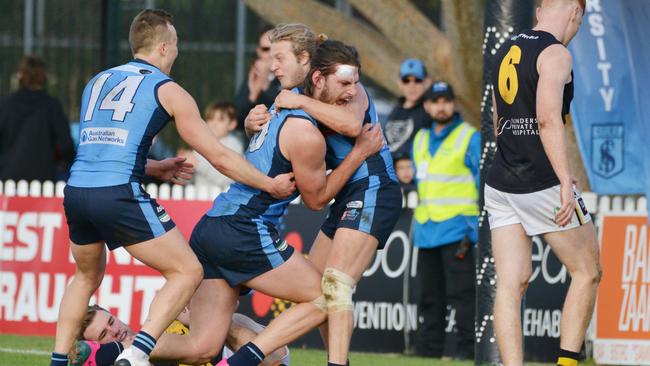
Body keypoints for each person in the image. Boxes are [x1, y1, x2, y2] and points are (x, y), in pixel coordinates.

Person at [51, 9, 295, 366]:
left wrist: (153, 166)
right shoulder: (168, 89)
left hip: (76, 191)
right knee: (188, 271)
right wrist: (268, 184)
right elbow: (216, 154)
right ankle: (135, 355)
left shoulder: (97, 81)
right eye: (177, 44)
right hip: (118, 193)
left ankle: (59, 361)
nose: (178, 51)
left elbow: (101, 150)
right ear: (164, 47)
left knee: (86, 275)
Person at [144, 40, 385, 366]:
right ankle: (243, 361)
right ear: (317, 77)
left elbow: (352, 122)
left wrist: (271, 112)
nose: (273, 66)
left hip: (212, 225)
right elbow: (316, 199)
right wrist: (358, 153)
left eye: (279, 58)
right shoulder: (297, 123)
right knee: (328, 296)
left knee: (202, 346)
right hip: (243, 228)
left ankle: (120, 349)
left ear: (306, 63)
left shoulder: (280, 108)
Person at [245, 25, 402, 366]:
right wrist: (251, 120)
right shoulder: (301, 94)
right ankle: (267, 353)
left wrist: (299, 100)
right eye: (344, 82)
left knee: (337, 285)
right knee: (319, 292)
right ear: (318, 78)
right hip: (346, 196)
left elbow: (350, 126)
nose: (353, 89)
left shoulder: (336, 96)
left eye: (355, 81)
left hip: (375, 189)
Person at [486, 1, 601, 365]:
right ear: (575, 13)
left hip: (501, 180)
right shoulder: (555, 53)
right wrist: (564, 178)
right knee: (588, 271)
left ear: (538, 10)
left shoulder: (507, 47)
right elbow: (548, 118)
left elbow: (496, 116)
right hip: (540, 181)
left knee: (511, 283)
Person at [411, 81, 480, 359]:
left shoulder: (469, 137)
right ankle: (427, 353)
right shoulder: (419, 139)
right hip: (427, 230)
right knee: (429, 297)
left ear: (454, 104)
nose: (441, 106)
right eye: (436, 101)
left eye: (446, 101)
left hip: (457, 229)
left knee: (463, 296)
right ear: (427, 106)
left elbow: (482, 180)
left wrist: (475, 227)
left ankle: (467, 353)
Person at [68, 305, 290, 366]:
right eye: (104, 334)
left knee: (231, 321)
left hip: (260, 355)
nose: (116, 330)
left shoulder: (162, 322)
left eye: (110, 321)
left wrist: (199, 319)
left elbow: (280, 352)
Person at [0, 55, 74, 182]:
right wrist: (65, 162)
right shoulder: (52, 105)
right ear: (44, 77)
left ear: (20, 76)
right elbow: (66, 145)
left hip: (7, 177)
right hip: (42, 178)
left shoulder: (5, 104)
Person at [181, 102, 244, 189]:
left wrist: (198, 164)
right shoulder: (200, 143)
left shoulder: (234, 145)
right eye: (210, 119)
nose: (214, 124)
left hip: (223, 200)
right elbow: (188, 181)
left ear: (232, 124)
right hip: (199, 198)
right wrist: (184, 168)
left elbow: (229, 179)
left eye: (220, 120)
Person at [234, 26, 281, 135]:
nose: (270, 54)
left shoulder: (290, 76)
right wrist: (252, 96)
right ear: (258, 51)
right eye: (265, 49)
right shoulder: (254, 77)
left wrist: (266, 86)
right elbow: (235, 120)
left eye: (275, 48)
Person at [383, 58, 430, 160]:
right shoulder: (396, 109)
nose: (411, 85)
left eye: (417, 80)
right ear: (400, 83)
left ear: (427, 82)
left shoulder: (429, 109)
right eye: (406, 80)